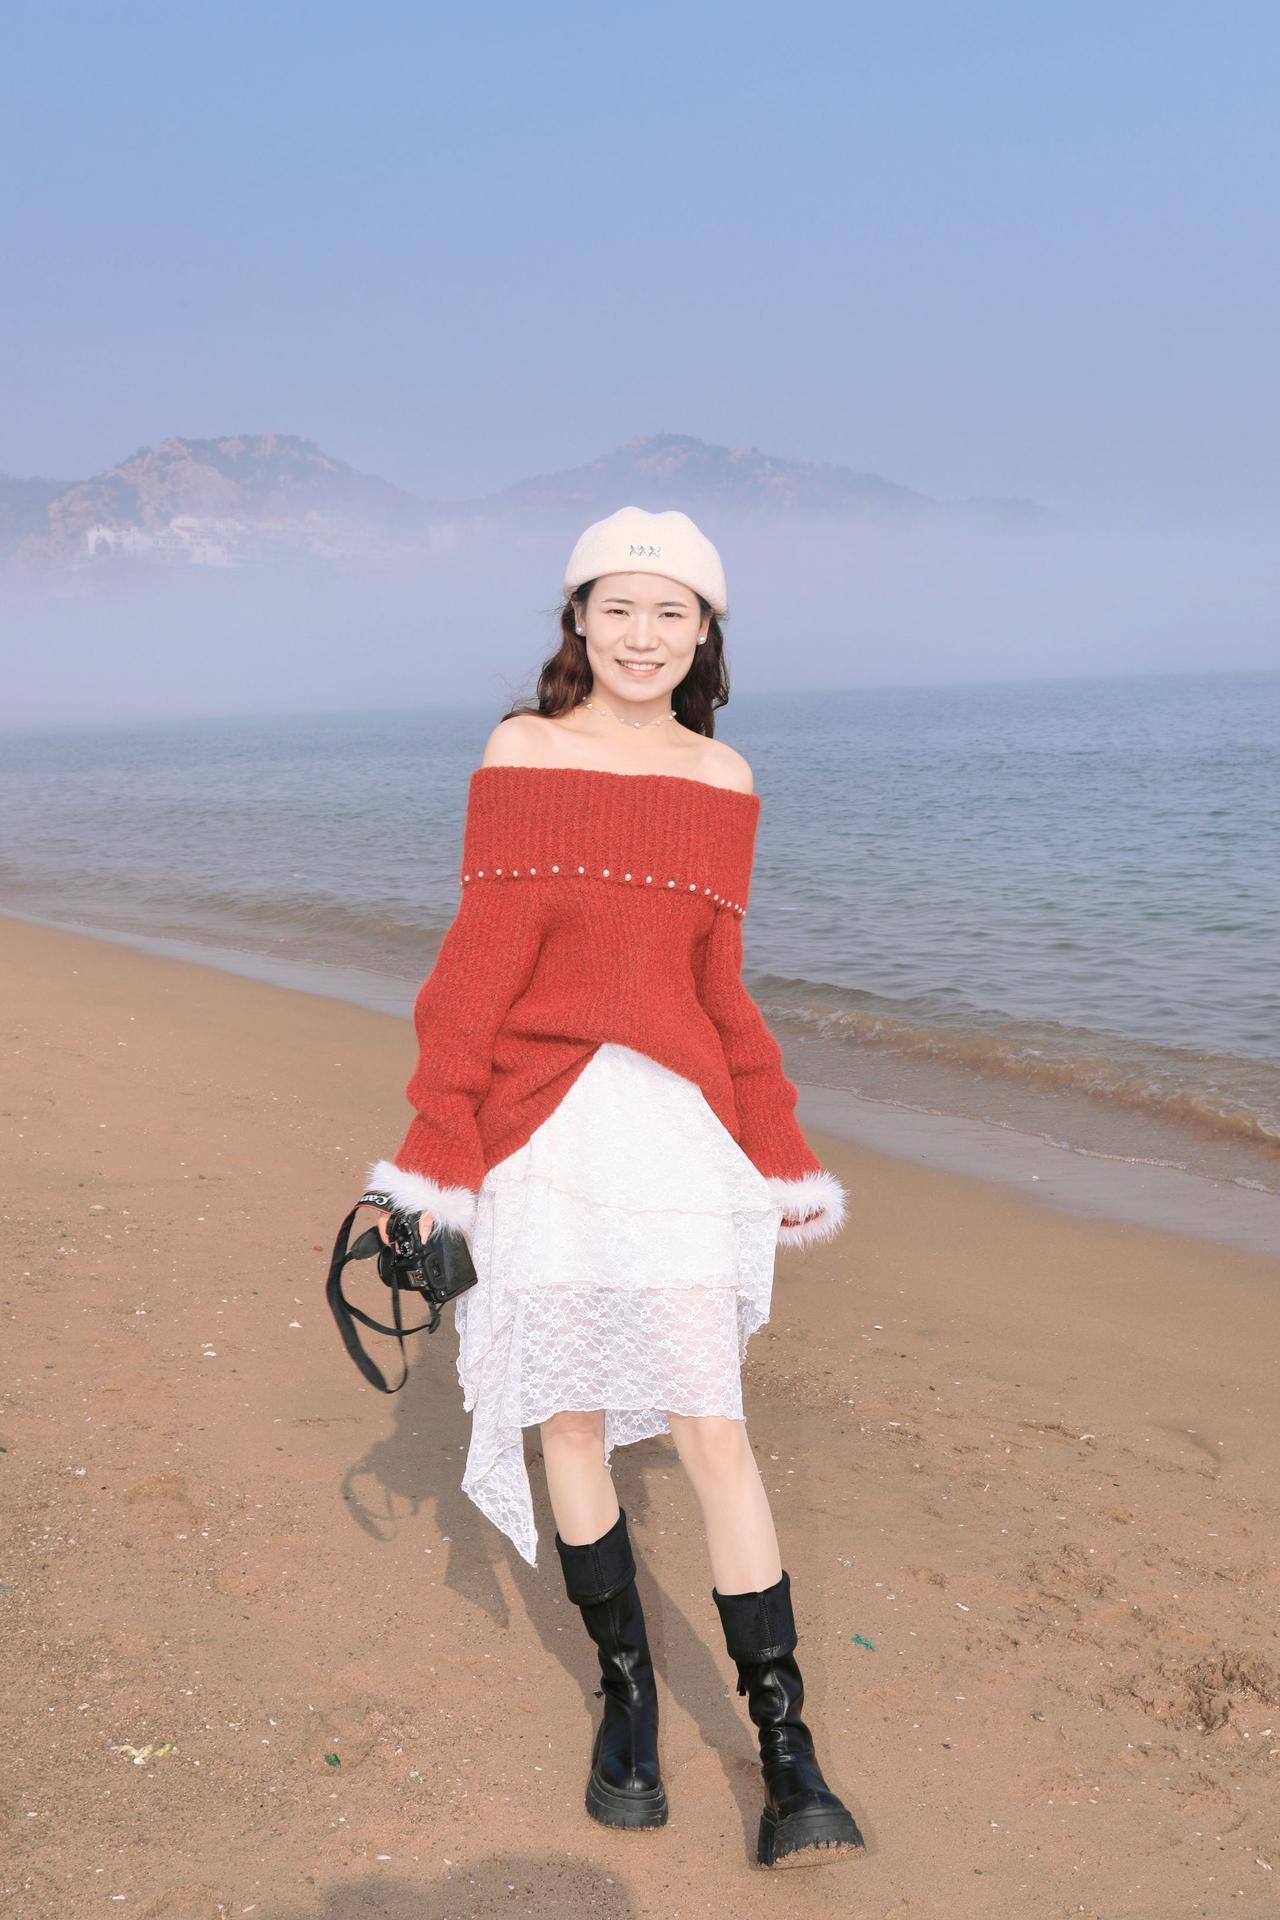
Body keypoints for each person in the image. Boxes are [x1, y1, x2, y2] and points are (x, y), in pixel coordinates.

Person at [366, 505, 865, 1869]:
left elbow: (718, 985)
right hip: (547, 1132)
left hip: (674, 1139)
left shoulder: (725, 775)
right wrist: (438, 1148)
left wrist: (778, 1144)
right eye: (619, 608)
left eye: (671, 613)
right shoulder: (522, 751)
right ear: (579, 619)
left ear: (706, 634)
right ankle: (629, 1701)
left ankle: (786, 1745)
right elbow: (477, 968)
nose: (643, 636)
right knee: (572, 1418)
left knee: (713, 1426)